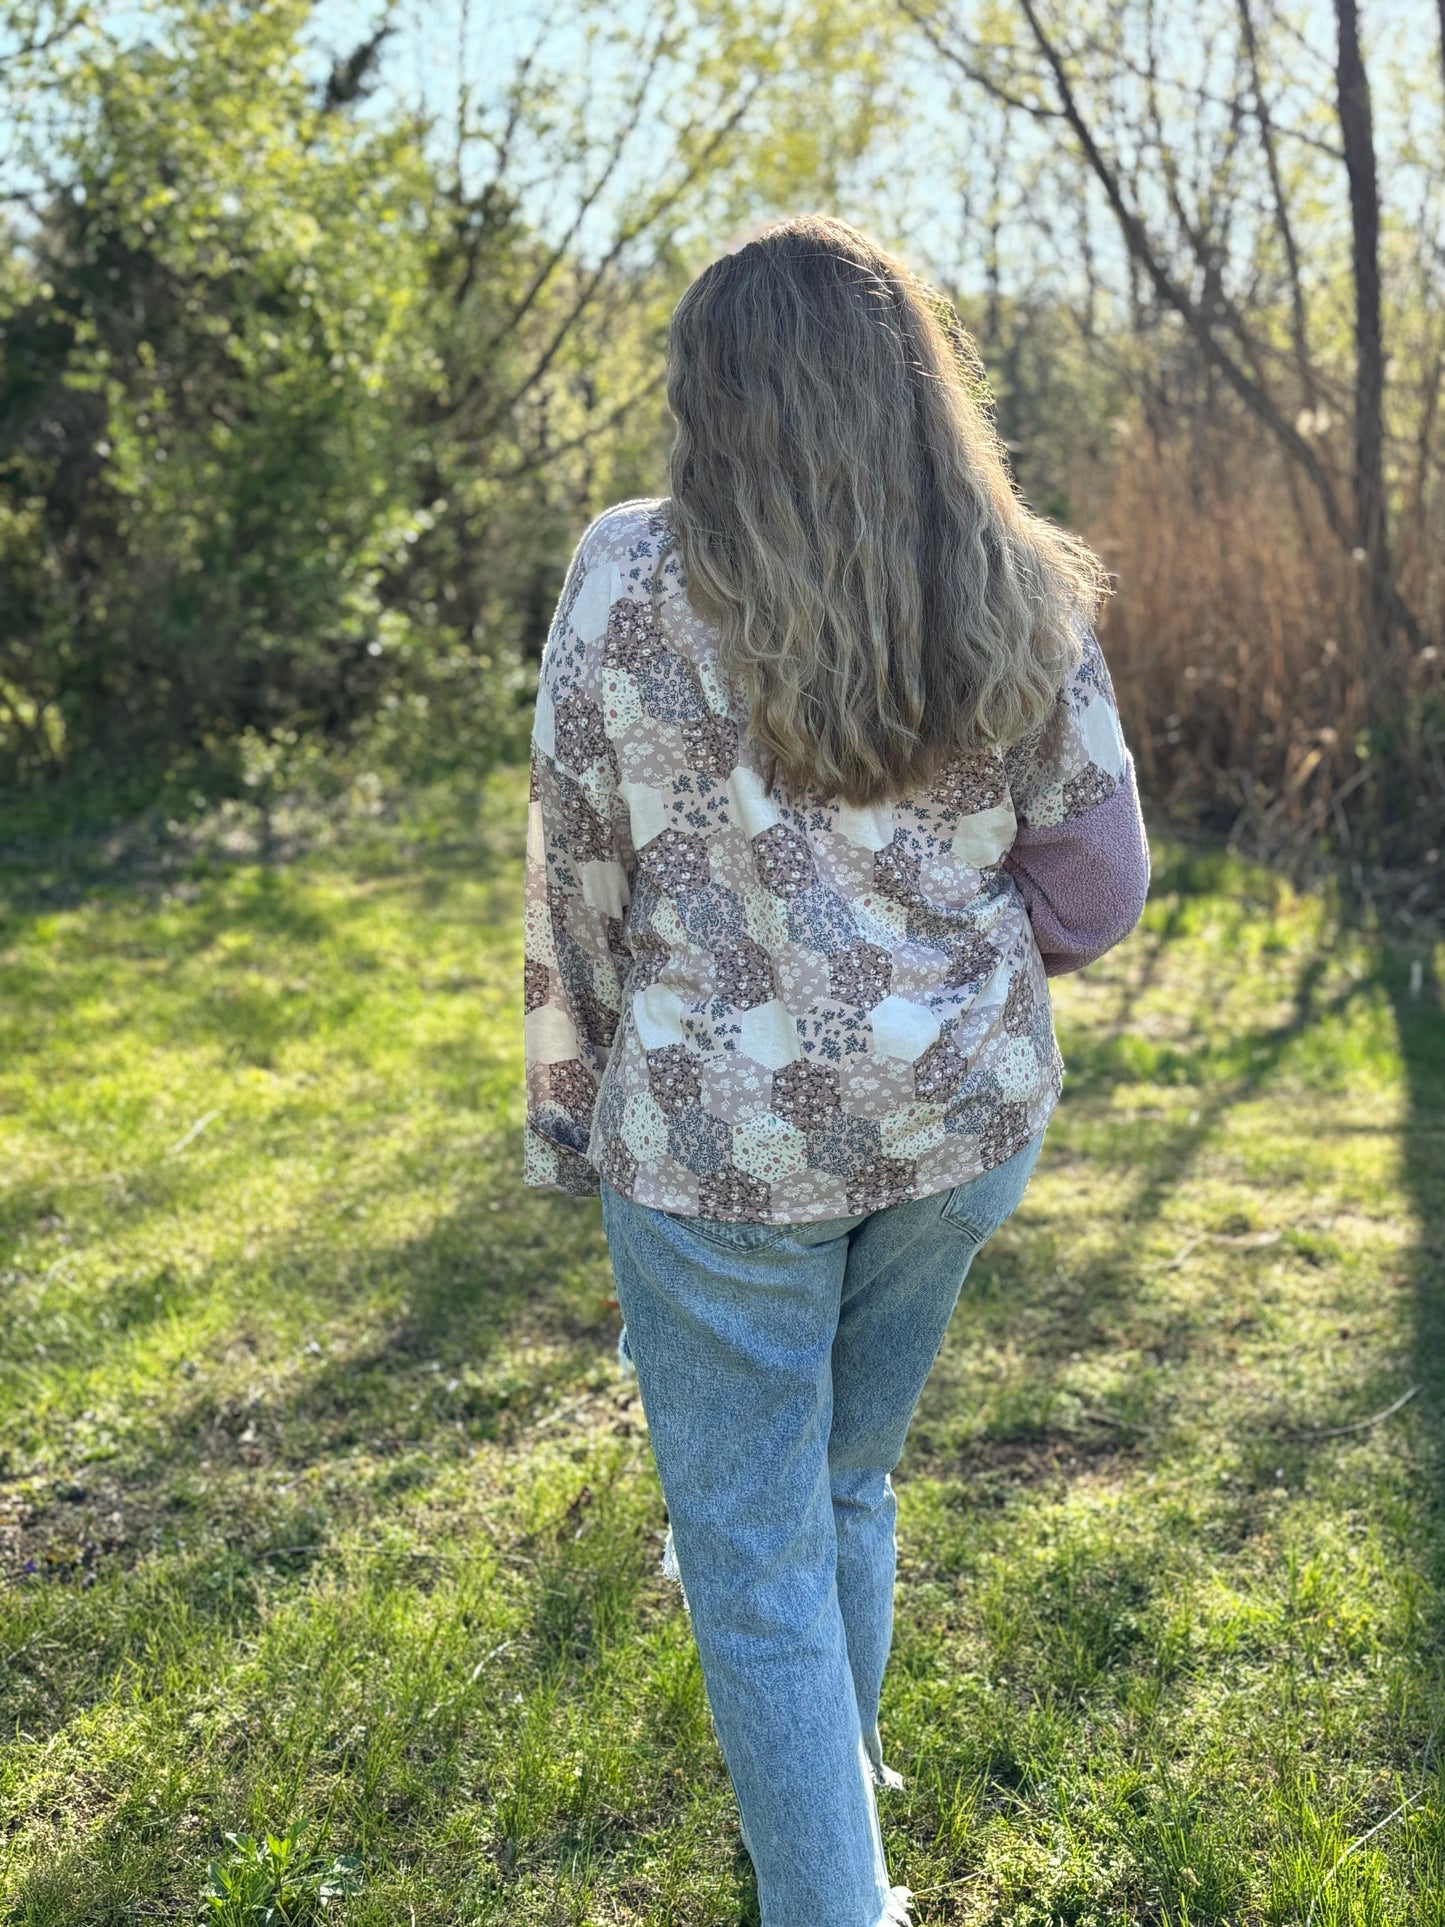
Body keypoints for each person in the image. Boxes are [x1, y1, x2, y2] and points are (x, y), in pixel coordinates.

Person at [522, 214, 1149, 1927]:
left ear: (701, 397)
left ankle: (829, 1895)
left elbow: (576, 866)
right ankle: (834, 1806)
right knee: (844, 1483)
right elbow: (1097, 885)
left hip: (710, 1161)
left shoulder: (625, 575)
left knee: (753, 1563)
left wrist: (564, 1099)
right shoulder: (1013, 576)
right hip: (953, 1125)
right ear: (915, 385)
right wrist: (940, 967)